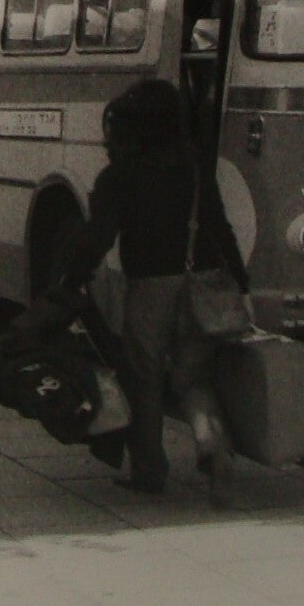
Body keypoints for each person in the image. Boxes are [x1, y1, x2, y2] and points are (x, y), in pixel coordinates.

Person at [51, 78, 246, 499]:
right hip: (205, 282)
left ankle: (149, 470)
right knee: (193, 378)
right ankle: (212, 447)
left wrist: (71, 277)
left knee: (145, 377)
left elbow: (97, 237)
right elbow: (219, 226)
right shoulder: (194, 168)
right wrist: (242, 283)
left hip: (151, 286)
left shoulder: (119, 175)